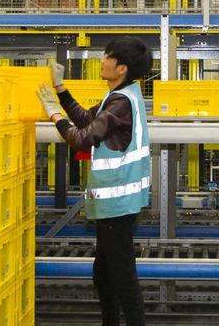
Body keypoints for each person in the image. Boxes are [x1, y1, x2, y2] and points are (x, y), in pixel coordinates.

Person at [49, 37, 153, 326]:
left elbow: (82, 137)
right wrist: (60, 90)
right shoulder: (120, 95)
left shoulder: (122, 102)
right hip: (114, 204)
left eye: (108, 56)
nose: (102, 60)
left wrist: (54, 115)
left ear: (121, 68)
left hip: (118, 204)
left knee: (122, 279)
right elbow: (85, 119)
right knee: (104, 275)